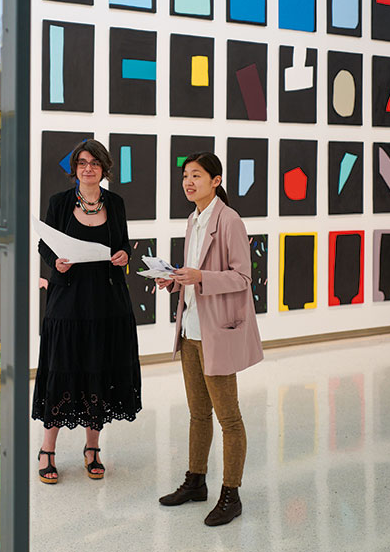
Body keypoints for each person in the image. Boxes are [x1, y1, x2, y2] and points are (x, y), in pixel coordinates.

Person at [156, 152, 263, 526]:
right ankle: (196, 481)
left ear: (216, 181)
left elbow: (242, 279)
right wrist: (175, 280)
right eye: (185, 176)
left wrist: (200, 277)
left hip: (216, 333)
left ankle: (231, 494)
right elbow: (196, 274)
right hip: (189, 331)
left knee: (228, 417)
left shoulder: (230, 220)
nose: (188, 182)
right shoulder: (193, 219)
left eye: (197, 176)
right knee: (197, 413)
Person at [32, 139, 142, 484]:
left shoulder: (116, 203)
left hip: (107, 301)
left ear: (104, 169)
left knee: (99, 368)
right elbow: (43, 244)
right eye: (81, 163)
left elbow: (122, 243)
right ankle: (47, 449)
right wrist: (56, 263)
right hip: (67, 300)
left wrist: (125, 255)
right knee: (62, 369)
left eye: (94, 163)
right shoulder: (60, 203)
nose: (88, 168)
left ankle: (92, 448)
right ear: (74, 169)